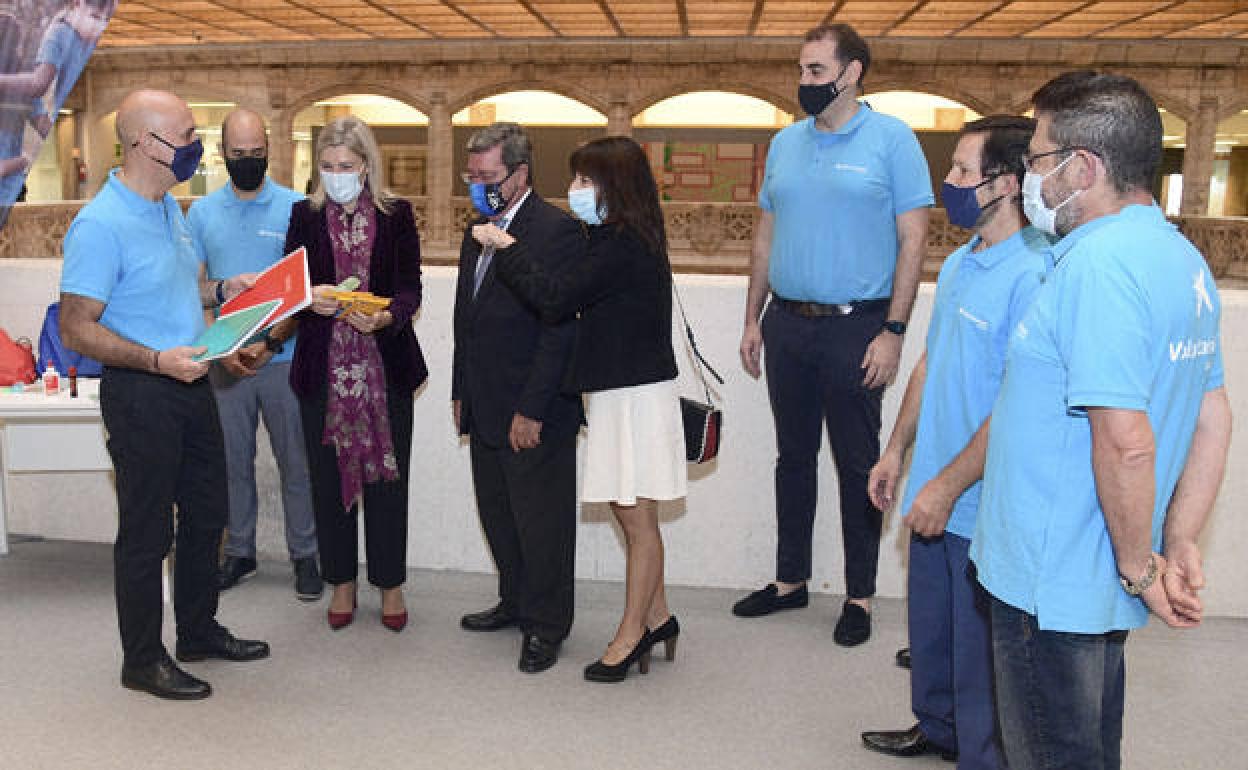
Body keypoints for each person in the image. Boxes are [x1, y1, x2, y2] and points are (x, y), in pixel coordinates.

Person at [971, 71, 1231, 769]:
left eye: (1038, 159)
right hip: (1097, 578)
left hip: (1050, 583)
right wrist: (1172, 541)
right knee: (1085, 750)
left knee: (1053, 755)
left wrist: (1136, 565)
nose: (1030, 177)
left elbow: (1126, 441)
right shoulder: (1181, 259)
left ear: (1082, 168)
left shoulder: (1098, 265)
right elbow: (1212, 415)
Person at [58, 89, 269, 701]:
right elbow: (77, 326)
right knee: (147, 532)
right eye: (186, 134)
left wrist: (226, 289)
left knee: (210, 515)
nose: (197, 145)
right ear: (145, 143)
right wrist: (154, 359)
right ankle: (142, 661)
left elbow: (177, 291)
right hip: (142, 392)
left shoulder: (168, 208)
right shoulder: (100, 223)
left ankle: (198, 631)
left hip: (192, 379)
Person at [734, 22, 933, 646]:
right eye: (802, 70)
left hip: (858, 328)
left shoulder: (892, 141)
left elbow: (914, 240)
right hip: (786, 325)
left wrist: (894, 331)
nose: (805, 82)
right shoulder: (786, 143)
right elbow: (765, 235)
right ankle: (790, 581)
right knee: (792, 459)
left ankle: (859, 596)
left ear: (853, 73)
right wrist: (751, 318)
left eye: (817, 71)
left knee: (855, 465)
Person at [859, 116, 1048, 768]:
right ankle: (936, 728)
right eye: (953, 170)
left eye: (965, 172)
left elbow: (1020, 407)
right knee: (934, 631)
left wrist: (947, 485)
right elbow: (927, 363)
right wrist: (897, 451)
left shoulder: (1036, 273)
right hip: (935, 485)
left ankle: (980, 753)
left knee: (979, 652)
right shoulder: (966, 260)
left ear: (1009, 183)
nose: (951, 184)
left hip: (981, 499)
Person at [488, 136, 686, 683]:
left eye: (584, 182)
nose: (573, 191)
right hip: (619, 391)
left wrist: (507, 248)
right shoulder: (618, 238)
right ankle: (661, 616)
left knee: (637, 519)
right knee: (632, 514)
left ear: (613, 188)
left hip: (635, 397)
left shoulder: (622, 245)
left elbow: (554, 298)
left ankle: (632, 635)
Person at [284, 115, 426, 633]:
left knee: (388, 481)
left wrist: (386, 315)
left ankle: (391, 585)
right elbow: (290, 289)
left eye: (345, 165)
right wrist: (310, 301)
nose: (335, 174)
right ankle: (341, 581)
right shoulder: (304, 216)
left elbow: (410, 288)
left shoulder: (397, 215)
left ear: (366, 165)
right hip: (322, 371)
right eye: (326, 166)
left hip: (385, 369)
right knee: (327, 481)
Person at [451, 122, 583, 674]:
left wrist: (532, 408)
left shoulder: (556, 232)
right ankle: (514, 601)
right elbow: (468, 318)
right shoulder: (476, 227)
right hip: (482, 399)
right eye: (471, 176)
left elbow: (559, 331)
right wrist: (460, 389)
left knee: (542, 521)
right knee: (499, 513)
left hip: (534, 407)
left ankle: (546, 625)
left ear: (520, 173)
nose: (477, 186)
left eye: (487, 177)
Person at [187, 108, 320, 601]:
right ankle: (239, 551)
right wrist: (221, 296)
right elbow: (193, 287)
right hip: (225, 362)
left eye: (257, 153)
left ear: (269, 148)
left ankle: (306, 556)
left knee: (296, 463)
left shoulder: (296, 207)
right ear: (223, 153)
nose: (248, 161)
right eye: (239, 154)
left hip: (284, 359)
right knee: (231, 463)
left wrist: (272, 343)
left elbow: (304, 292)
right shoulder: (200, 213)